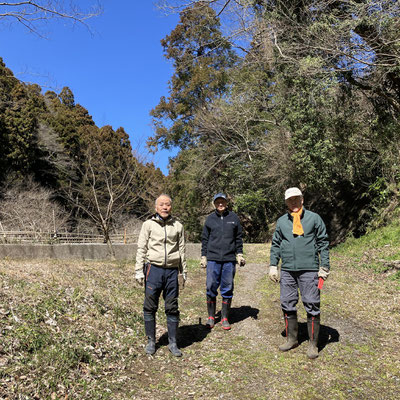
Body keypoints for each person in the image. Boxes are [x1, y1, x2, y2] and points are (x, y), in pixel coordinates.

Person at [269, 187, 330, 359]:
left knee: (312, 303)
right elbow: (276, 244)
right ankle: (292, 339)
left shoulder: (314, 218)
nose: (293, 202)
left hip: (309, 269)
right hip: (288, 270)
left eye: (296, 199)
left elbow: (323, 242)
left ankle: (313, 344)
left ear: (302, 199)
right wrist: (273, 265)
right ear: (286, 202)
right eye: (290, 200)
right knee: (287, 303)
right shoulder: (281, 222)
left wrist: (324, 266)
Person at [135, 194, 187, 357]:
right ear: (156, 207)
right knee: (150, 306)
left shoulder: (178, 226)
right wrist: (138, 270)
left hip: (172, 271)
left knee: (172, 307)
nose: (165, 207)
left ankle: (173, 342)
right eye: (162, 205)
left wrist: (183, 271)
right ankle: (151, 341)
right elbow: (141, 248)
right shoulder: (148, 225)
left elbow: (182, 250)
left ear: (171, 207)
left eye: (168, 205)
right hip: (153, 270)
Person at [200, 193, 245, 330]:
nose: (220, 204)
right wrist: (203, 256)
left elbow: (238, 238)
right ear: (214, 203)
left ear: (226, 203)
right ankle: (211, 317)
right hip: (213, 259)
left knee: (227, 287)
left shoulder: (233, 218)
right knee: (211, 286)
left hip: (229, 259)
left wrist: (239, 254)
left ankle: (225, 317)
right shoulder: (210, 219)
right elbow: (205, 239)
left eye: (223, 201)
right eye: (218, 202)